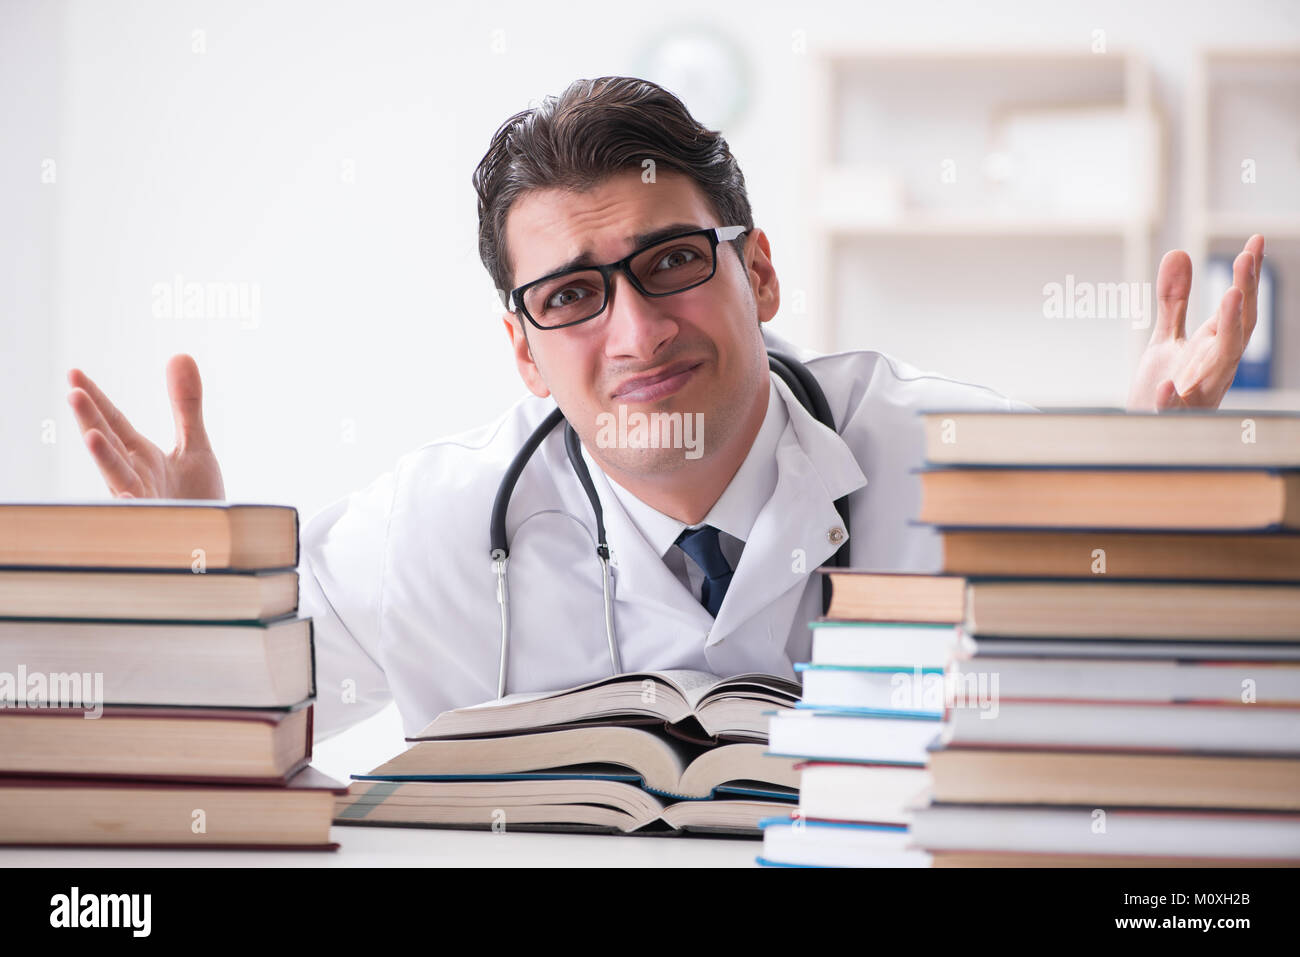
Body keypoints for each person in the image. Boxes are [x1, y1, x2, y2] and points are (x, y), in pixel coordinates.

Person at [65, 76, 1266, 743]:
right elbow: (225, 719)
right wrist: (203, 581)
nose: (634, 333)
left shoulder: (952, 458)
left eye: (672, 264)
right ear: (525, 355)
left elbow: (1174, 662)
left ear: (761, 275)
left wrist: (1160, 470)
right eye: (573, 296)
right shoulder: (434, 526)